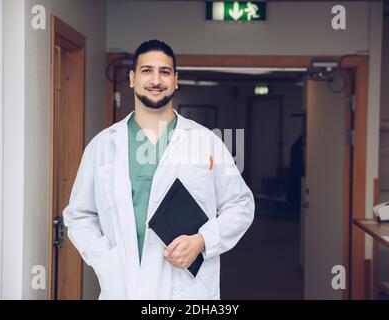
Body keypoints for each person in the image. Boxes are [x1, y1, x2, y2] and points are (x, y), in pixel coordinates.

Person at [63, 39, 254, 299]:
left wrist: (201, 241)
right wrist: (104, 259)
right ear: (131, 78)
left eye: (165, 71)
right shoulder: (103, 146)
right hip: (123, 288)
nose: (156, 80)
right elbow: (79, 215)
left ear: (175, 80)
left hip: (186, 290)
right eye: (146, 70)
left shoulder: (207, 141)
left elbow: (241, 205)